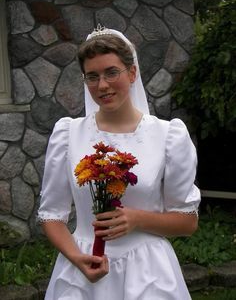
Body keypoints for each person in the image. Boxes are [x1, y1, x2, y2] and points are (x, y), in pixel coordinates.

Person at [38, 25, 201, 300]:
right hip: (82, 271)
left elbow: (187, 222)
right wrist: (78, 258)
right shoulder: (68, 134)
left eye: (112, 72)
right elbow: (52, 216)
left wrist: (137, 219)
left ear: (132, 72)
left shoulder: (168, 135)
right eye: (92, 76)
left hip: (149, 274)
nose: (102, 85)